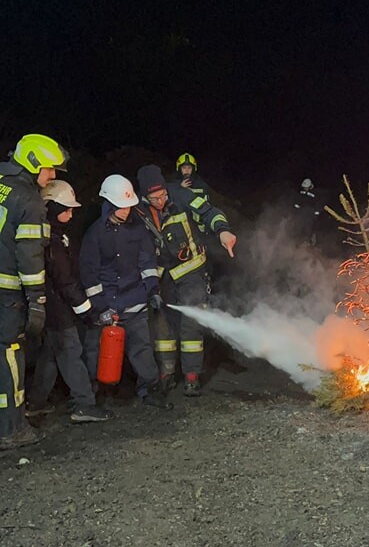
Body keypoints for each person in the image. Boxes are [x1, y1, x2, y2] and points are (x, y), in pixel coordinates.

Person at [136, 165, 236, 396]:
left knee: (191, 323)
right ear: (144, 196)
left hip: (191, 271)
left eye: (163, 195)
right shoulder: (137, 210)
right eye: (154, 198)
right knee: (162, 325)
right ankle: (166, 373)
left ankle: (192, 376)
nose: (160, 201)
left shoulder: (181, 194)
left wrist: (223, 231)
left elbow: (209, 212)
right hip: (160, 276)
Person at [0, 133, 68, 450]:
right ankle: (12, 429)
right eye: (49, 168)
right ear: (32, 164)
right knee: (9, 356)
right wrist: (37, 301)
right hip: (7, 294)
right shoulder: (29, 201)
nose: (52, 175)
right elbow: (29, 257)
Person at [79, 175, 170, 409]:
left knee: (142, 349)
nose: (126, 211)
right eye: (121, 207)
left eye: (129, 206)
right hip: (106, 305)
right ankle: (91, 397)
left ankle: (150, 390)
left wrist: (153, 290)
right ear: (108, 204)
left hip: (135, 300)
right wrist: (101, 307)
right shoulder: (95, 234)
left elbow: (147, 262)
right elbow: (89, 274)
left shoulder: (138, 230)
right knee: (95, 351)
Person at [27, 181, 112, 423]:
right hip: (58, 309)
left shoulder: (54, 236)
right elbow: (66, 282)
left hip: (52, 307)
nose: (71, 214)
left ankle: (36, 403)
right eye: (66, 209)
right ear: (52, 208)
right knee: (71, 352)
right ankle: (84, 404)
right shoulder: (51, 242)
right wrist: (87, 311)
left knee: (51, 354)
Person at [292, 178, 321, 245]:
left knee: (308, 227)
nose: (305, 188)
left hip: (310, 214)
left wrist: (316, 213)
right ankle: (300, 241)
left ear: (309, 186)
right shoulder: (301, 192)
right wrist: (296, 209)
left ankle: (308, 241)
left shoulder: (315, 193)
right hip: (302, 213)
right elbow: (297, 201)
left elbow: (318, 204)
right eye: (304, 187)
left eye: (306, 187)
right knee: (300, 226)